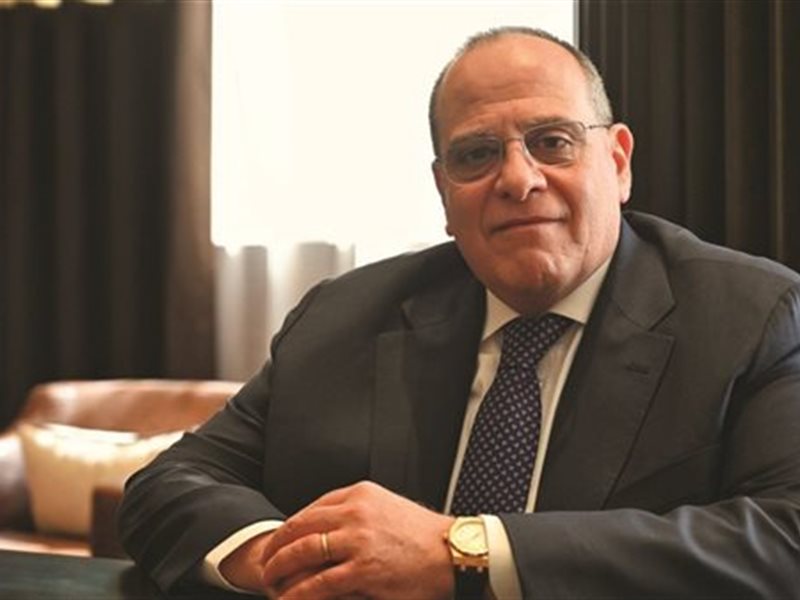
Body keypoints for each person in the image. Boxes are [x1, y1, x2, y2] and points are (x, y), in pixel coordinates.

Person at [118, 26, 800, 599]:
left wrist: (463, 552)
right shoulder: (342, 317)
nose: (518, 179)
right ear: (444, 191)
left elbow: (785, 536)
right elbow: (169, 485)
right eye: (477, 155)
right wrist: (297, 559)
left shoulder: (750, 316)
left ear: (618, 163)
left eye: (552, 141)